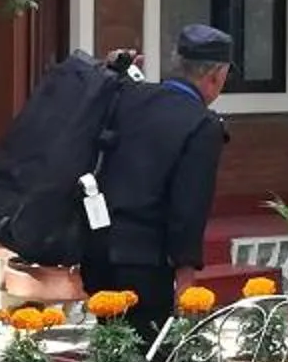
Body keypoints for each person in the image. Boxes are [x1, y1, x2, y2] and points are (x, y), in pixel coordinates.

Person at [87, 23, 232, 337]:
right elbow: (188, 207)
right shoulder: (202, 124)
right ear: (216, 75)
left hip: (97, 251)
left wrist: (112, 69)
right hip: (145, 263)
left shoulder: (130, 96)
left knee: (110, 357)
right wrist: (186, 280)